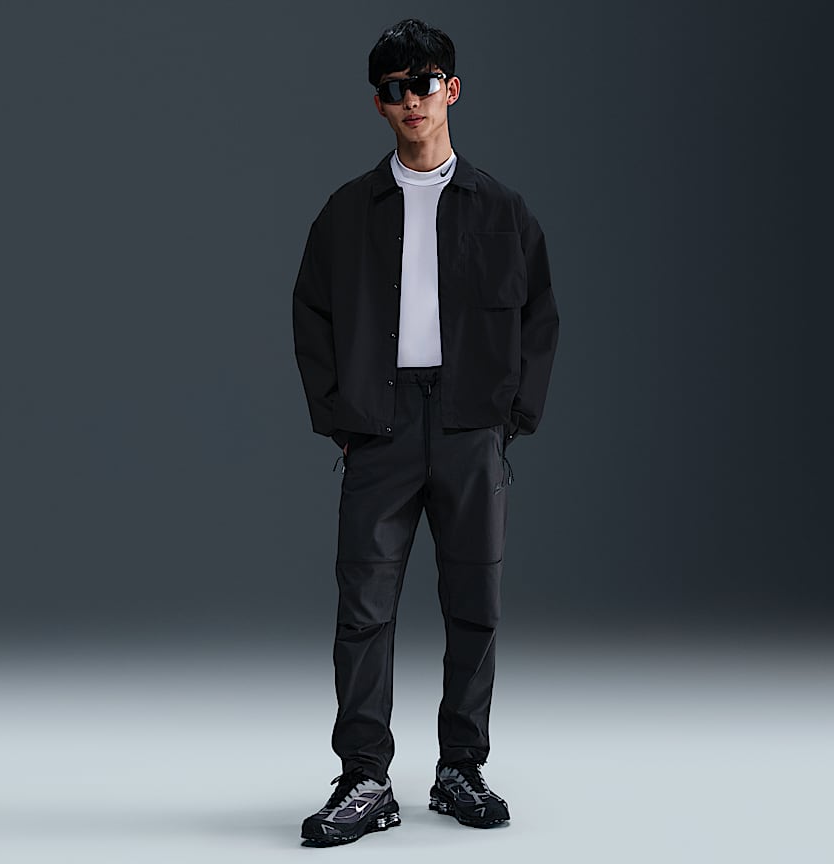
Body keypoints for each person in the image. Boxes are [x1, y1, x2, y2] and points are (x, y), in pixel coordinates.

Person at [293, 17, 559, 847]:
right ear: (378, 104)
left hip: (471, 425)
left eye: (425, 82)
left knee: (475, 604)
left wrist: (508, 421)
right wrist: (341, 419)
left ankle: (460, 768)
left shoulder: (502, 209)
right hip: (380, 424)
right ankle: (365, 778)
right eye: (395, 88)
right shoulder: (347, 212)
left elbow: (540, 317)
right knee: (363, 609)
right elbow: (311, 314)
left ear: (453, 89)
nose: (413, 99)